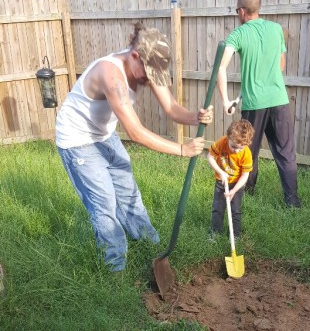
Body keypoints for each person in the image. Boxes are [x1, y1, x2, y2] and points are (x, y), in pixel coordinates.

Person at [56, 22, 213, 272]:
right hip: (77, 141)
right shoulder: (111, 75)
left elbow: (171, 109)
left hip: (104, 135)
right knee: (104, 203)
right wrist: (182, 150)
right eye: (147, 74)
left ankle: (150, 246)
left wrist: (195, 117)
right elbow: (135, 132)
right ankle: (115, 269)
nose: (149, 81)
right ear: (135, 56)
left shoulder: (151, 65)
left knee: (129, 192)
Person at [217, 0, 301, 208]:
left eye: (237, 11)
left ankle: (247, 194)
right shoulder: (275, 30)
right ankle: (292, 202)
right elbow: (280, 66)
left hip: (255, 104)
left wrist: (226, 100)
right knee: (286, 152)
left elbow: (221, 68)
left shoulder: (239, 34)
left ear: (242, 11)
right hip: (279, 100)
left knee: (247, 151)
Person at [207, 119, 254, 238]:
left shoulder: (246, 153)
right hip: (221, 182)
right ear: (228, 138)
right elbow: (210, 156)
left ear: (246, 144)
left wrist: (234, 191)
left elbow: (245, 175)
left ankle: (234, 235)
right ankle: (215, 233)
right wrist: (220, 172)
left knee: (235, 211)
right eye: (233, 146)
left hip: (236, 184)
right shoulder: (222, 142)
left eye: (240, 148)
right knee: (218, 208)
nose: (236, 151)